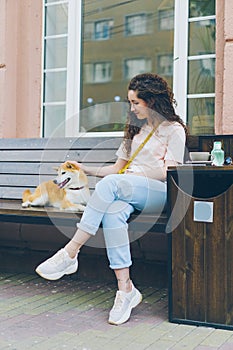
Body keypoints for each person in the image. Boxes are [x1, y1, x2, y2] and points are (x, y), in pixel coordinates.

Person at [35, 73, 186, 325]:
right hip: (128, 188)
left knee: (113, 185)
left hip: (159, 192)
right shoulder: (133, 130)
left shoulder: (173, 129)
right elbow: (116, 170)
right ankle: (125, 289)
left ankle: (71, 252)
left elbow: (167, 171)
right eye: (130, 102)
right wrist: (84, 168)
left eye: (136, 102)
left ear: (152, 100)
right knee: (113, 211)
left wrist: (131, 177)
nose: (132, 108)